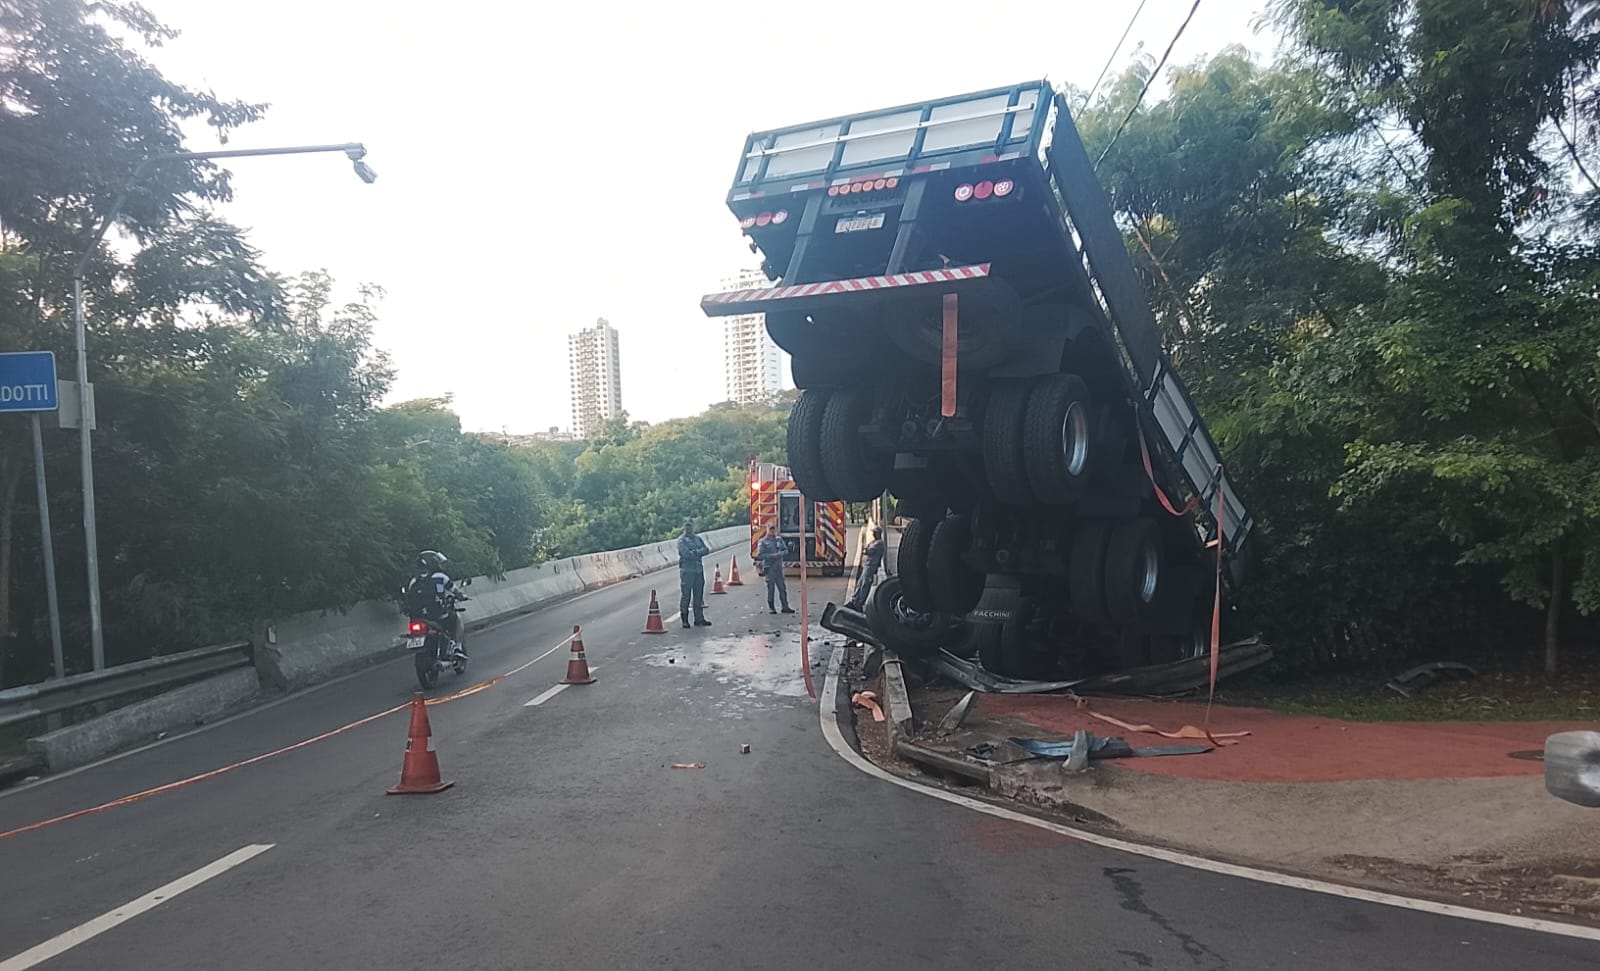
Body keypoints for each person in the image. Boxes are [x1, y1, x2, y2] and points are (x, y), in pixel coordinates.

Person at [403, 549, 466, 659]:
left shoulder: (414, 581)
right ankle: (458, 648)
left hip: (417, 618)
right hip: (438, 616)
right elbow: (456, 592)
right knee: (458, 618)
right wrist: (463, 597)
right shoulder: (441, 577)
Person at [677, 519, 712, 629]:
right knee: (686, 596)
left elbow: (706, 550)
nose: (688, 528)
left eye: (690, 526)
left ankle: (699, 619)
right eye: (686, 526)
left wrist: (695, 552)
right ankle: (685, 620)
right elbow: (686, 554)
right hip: (687, 571)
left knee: (698, 596)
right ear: (684, 527)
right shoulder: (681, 541)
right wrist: (698, 552)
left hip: (698, 570)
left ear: (693, 526)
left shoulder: (698, 539)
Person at [755, 524, 794, 615]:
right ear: (767, 530)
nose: (772, 531)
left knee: (782, 588)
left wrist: (781, 553)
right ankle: (771, 608)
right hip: (770, 567)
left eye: (773, 529)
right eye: (770, 529)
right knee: (771, 588)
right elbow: (760, 555)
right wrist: (773, 556)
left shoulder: (779, 540)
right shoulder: (763, 542)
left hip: (779, 567)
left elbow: (786, 550)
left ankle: (785, 606)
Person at [847, 525, 887, 611]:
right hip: (867, 565)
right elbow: (866, 549)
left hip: (871, 567)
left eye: (874, 533)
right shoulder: (874, 542)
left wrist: (866, 549)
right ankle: (854, 601)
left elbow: (868, 551)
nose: (873, 534)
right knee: (860, 584)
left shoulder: (879, 543)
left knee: (865, 586)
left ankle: (859, 604)